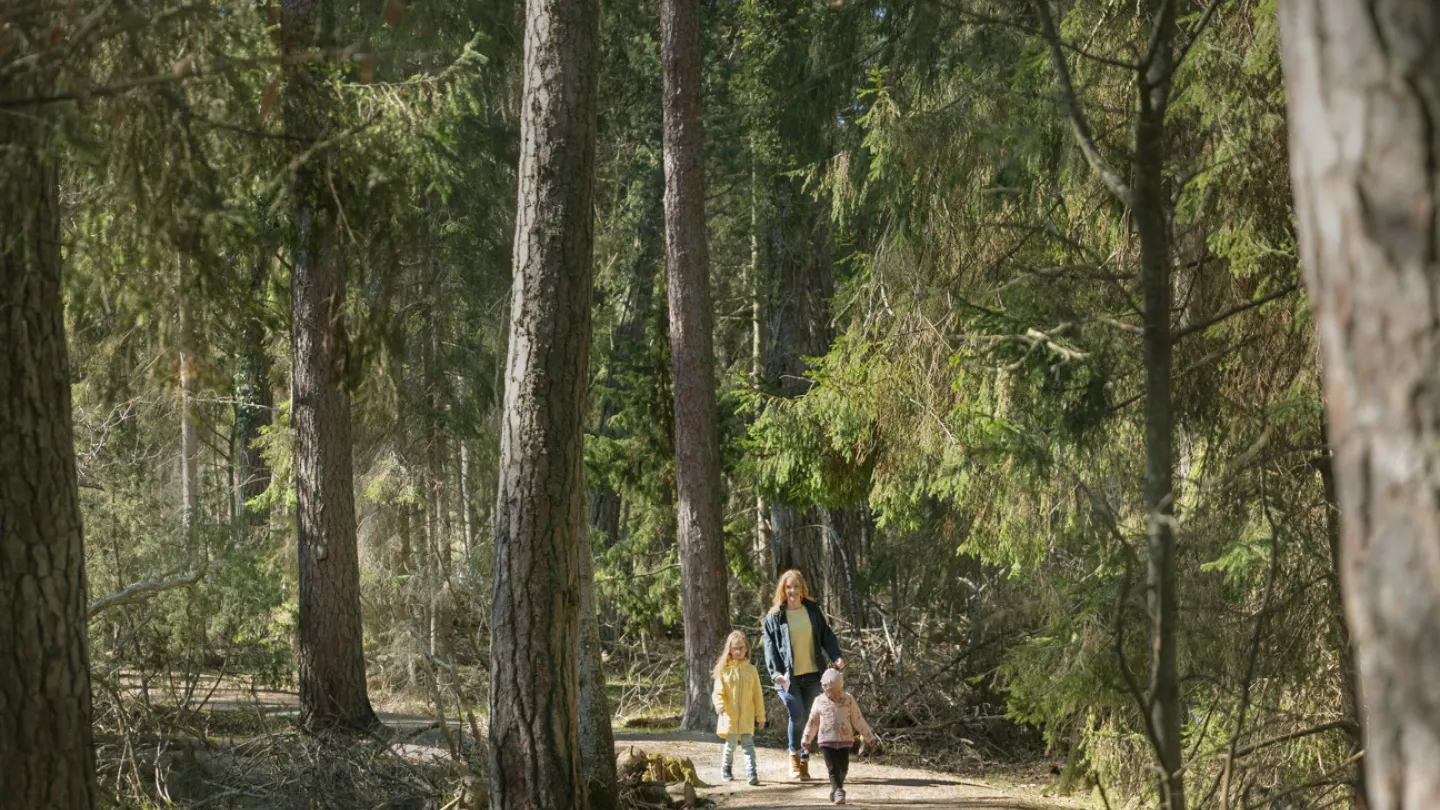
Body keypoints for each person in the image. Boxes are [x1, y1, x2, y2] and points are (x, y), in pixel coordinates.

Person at [761, 569, 844, 781]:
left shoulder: (812, 610)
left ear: (802, 589)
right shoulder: (774, 617)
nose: (792, 591)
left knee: (811, 719)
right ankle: (793, 757)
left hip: (813, 674)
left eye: (796, 586)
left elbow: (826, 635)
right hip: (787, 678)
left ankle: (804, 762)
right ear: (783, 590)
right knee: (797, 715)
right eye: (788, 587)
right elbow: (770, 649)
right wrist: (776, 674)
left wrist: (836, 657)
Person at [802, 667, 878, 805]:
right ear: (825, 690)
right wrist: (806, 739)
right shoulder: (819, 701)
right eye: (832, 692)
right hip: (826, 741)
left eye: (838, 691)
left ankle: (835, 789)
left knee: (843, 768)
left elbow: (858, 719)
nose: (836, 695)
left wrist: (868, 736)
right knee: (833, 769)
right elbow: (813, 722)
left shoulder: (848, 700)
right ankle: (839, 792)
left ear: (842, 687)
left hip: (845, 740)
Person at [712, 630, 766, 785]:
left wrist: (760, 716)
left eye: (742, 648)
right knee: (731, 746)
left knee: (748, 746)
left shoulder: (752, 670)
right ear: (729, 650)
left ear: (747, 648)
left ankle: (752, 772)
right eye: (735, 648)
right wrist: (720, 705)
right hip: (730, 717)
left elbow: (758, 695)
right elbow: (718, 692)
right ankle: (726, 769)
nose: (739, 651)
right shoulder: (724, 670)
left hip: (747, 718)